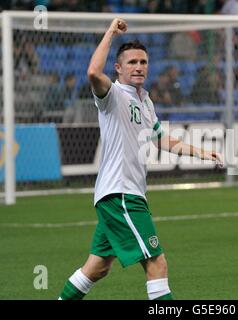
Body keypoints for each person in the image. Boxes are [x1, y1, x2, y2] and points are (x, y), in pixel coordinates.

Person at [58, 18, 223, 300]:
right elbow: (92, 71)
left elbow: (161, 139)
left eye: (143, 62)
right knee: (156, 263)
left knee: (97, 267)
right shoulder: (112, 96)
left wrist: (201, 152)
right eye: (132, 62)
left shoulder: (145, 102)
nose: (139, 67)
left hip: (123, 194)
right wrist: (110, 31)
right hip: (121, 194)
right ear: (119, 68)